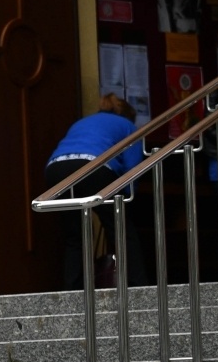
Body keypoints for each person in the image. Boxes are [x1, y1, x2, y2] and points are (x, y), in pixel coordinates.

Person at [44, 94, 146, 290]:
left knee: (75, 234)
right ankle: (137, 286)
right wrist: (127, 199)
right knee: (120, 229)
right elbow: (133, 169)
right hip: (93, 166)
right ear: (128, 115)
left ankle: (73, 290)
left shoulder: (82, 122)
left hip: (55, 169)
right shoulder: (128, 126)